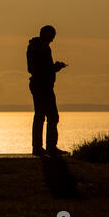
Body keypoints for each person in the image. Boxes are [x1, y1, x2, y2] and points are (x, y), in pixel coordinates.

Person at [26, 25, 68, 156]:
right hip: (42, 86)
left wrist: (53, 67)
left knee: (42, 116)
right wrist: (55, 67)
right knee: (50, 116)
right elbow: (38, 68)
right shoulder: (41, 47)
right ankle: (47, 147)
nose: (53, 39)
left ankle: (40, 147)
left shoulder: (36, 46)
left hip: (41, 85)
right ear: (46, 34)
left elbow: (38, 67)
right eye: (52, 36)